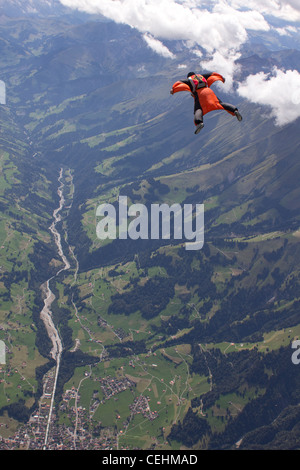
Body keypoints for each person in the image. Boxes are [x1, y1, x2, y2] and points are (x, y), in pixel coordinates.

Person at [170, 72, 242, 134]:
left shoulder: (189, 80)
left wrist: (173, 90)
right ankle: (234, 110)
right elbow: (213, 74)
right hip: (209, 91)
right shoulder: (202, 76)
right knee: (220, 104)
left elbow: (179, 83)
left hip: (200, 94)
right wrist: (222, 78)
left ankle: (199, 123)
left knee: (198, 110)